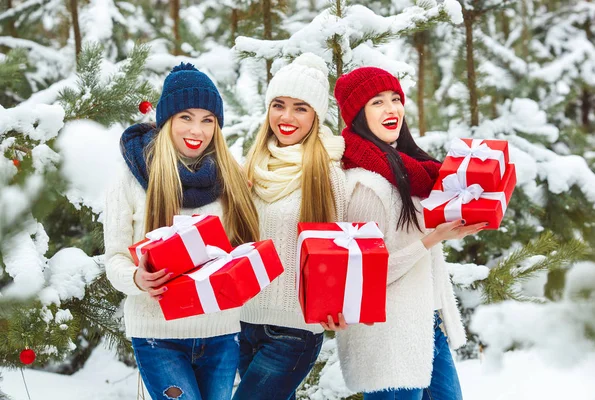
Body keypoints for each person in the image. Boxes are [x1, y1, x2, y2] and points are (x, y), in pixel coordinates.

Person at [104, 63, 259, 400]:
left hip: (220, 333)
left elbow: (243, 249)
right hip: (158, 335)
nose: (197, 130)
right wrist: (136, 279)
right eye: (186, 117)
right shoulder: (131, 177)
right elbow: (114, 258)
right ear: (167, 119)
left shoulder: (229, 177)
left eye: (207, 120)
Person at [331, 66, 486, 400]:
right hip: (387, 333)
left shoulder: (410, 168)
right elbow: (366, 272)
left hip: (422, 323)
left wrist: (450, 229)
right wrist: (433, 238)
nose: (392, 109)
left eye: (395, 99)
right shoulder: (364, 183)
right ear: (358, 115)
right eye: (377, 102)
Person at [233, 53, 346, 400]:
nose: (286, 117)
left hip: (294, 329)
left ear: (316, 115)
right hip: (242, 322)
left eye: (300, 108)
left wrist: (334, 303)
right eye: (278, 105)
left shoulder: (328, 175)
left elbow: (338, 251)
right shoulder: (250, 167)